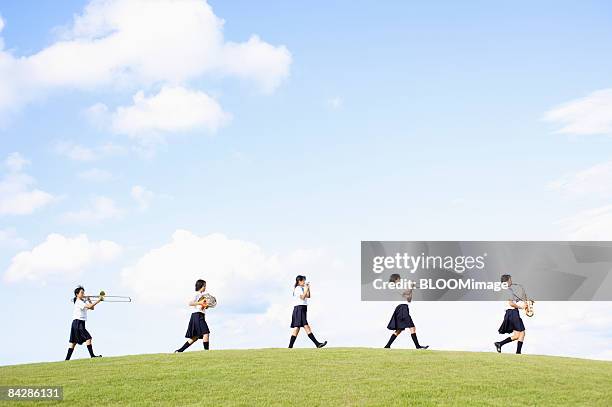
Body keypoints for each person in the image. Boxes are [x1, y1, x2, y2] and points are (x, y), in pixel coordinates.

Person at [384, 274, 428, 349]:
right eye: (399, 279)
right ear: (396, 279)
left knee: (399, 330)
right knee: (412, 327)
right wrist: (411, 286)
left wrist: (411, 289)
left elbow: (409, 299)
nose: (400, 280)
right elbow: (406, 292)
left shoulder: (399, 288)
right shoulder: (395, 287)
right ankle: (417, 346)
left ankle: (387, 346)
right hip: (402, 308)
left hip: (403, 308)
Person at [288, 275, 327, 348]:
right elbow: (302, 297)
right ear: (299, 281)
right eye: (303, 280)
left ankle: (290, 346)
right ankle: (317, 344)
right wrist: (306, 289)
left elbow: (308, 296)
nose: (304, 282)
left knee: (297, 328)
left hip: (302, 308)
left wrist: (308, 288)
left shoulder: (302, 288)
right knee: (305, 326)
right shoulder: (298, 288)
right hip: (299, 308)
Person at [65, 286, 103, 360]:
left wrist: (89, 300)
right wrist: (99, 300)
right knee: (88, 338)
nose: (83, 294)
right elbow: (90, 306)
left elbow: (92, 308)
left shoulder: (81, 302)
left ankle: (67, 359)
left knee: (73, 342)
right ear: (77, 294)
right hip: (78, 323)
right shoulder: (79, 302)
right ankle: (92, 356)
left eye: (83, 292)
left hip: (78, 323)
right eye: (81, 293)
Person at [175, 279, 211, 352]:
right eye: (204, 286)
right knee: (206, 332)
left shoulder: (202, 295)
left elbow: (201, 306)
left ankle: (179, 351)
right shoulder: (197, 294)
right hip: (197, 315)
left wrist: (206, 306)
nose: (205, 287)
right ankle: (207, 352)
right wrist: (200, 303)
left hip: (200, 315)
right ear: (201, 286)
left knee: (195, 337)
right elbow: (190, 303)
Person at [495, 274, 526, 354]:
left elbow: (514, 300)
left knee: (516, 336)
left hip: (510, 313)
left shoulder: (507, 290)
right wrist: (521, 307)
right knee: (522, 333)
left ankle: (499, 344)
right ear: (507, 281)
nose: (511, 281)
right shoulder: (507, 290)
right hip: (512, 312)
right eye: (510, 280)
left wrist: (526, 302)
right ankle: (518, 353)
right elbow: (511, 303)